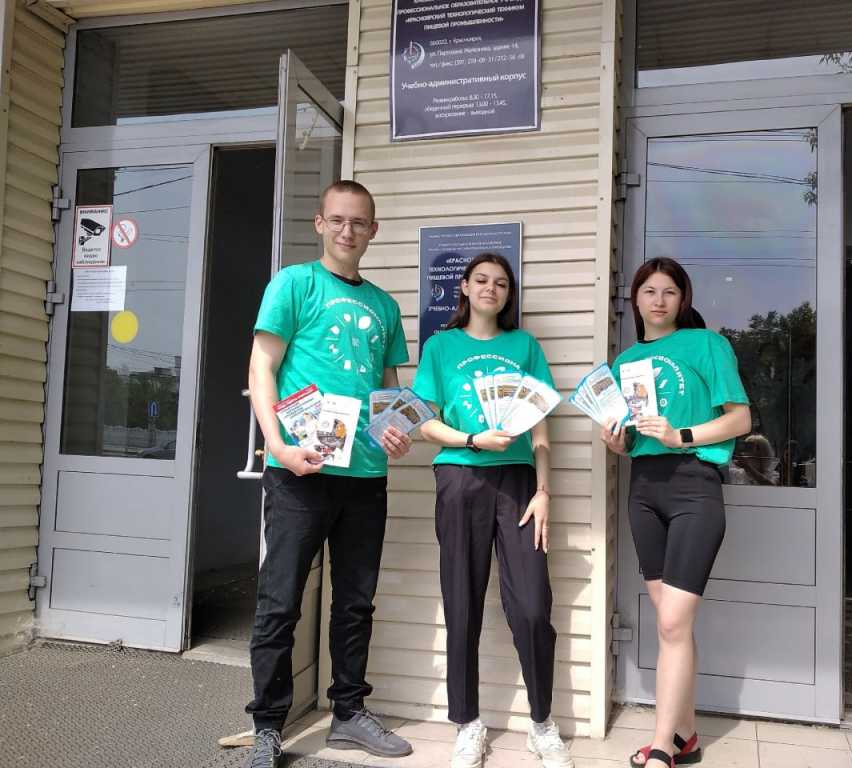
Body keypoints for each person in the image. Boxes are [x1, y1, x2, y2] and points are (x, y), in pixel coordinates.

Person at [244, 180, 414, 768]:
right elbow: (261, 367)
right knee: (280, 601)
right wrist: (276, 446)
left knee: (356, 602)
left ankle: (348, 712)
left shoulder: (385, 306)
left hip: (365, 477)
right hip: (299, 469)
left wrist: (395, 429)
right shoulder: (294, 284)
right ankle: (268, 726)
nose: (348, 231)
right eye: (338, 220)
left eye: (359, 222)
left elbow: (388, 389)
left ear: (373, 230)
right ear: (319, 223)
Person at [412, 253, 574, 768]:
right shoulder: (440, 347)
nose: (491, 288)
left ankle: (542, 724)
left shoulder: (524, 346)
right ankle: (468, 723)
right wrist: (472, 439)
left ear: (509, 294)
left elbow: (542, 431)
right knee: (461, 601)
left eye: (501, 283)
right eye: (481, 280)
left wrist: (544, 491)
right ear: (464, 286)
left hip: (519, 481)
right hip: (460, 475)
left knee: (532, 605)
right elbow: (424, 423)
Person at [602, 257, 751, 768]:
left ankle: (662, 746)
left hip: (694, 486)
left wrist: (681, 434)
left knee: (670, 623)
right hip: (644, 489)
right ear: (636, 299)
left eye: (669, 291)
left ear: (683, 299)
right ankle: (686, 737)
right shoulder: (625, 363)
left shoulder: (707, 345)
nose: (659, 300)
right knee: (674, 625)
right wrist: (617, 442)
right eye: (649, 291)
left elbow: (740, 419)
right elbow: (631, 440)